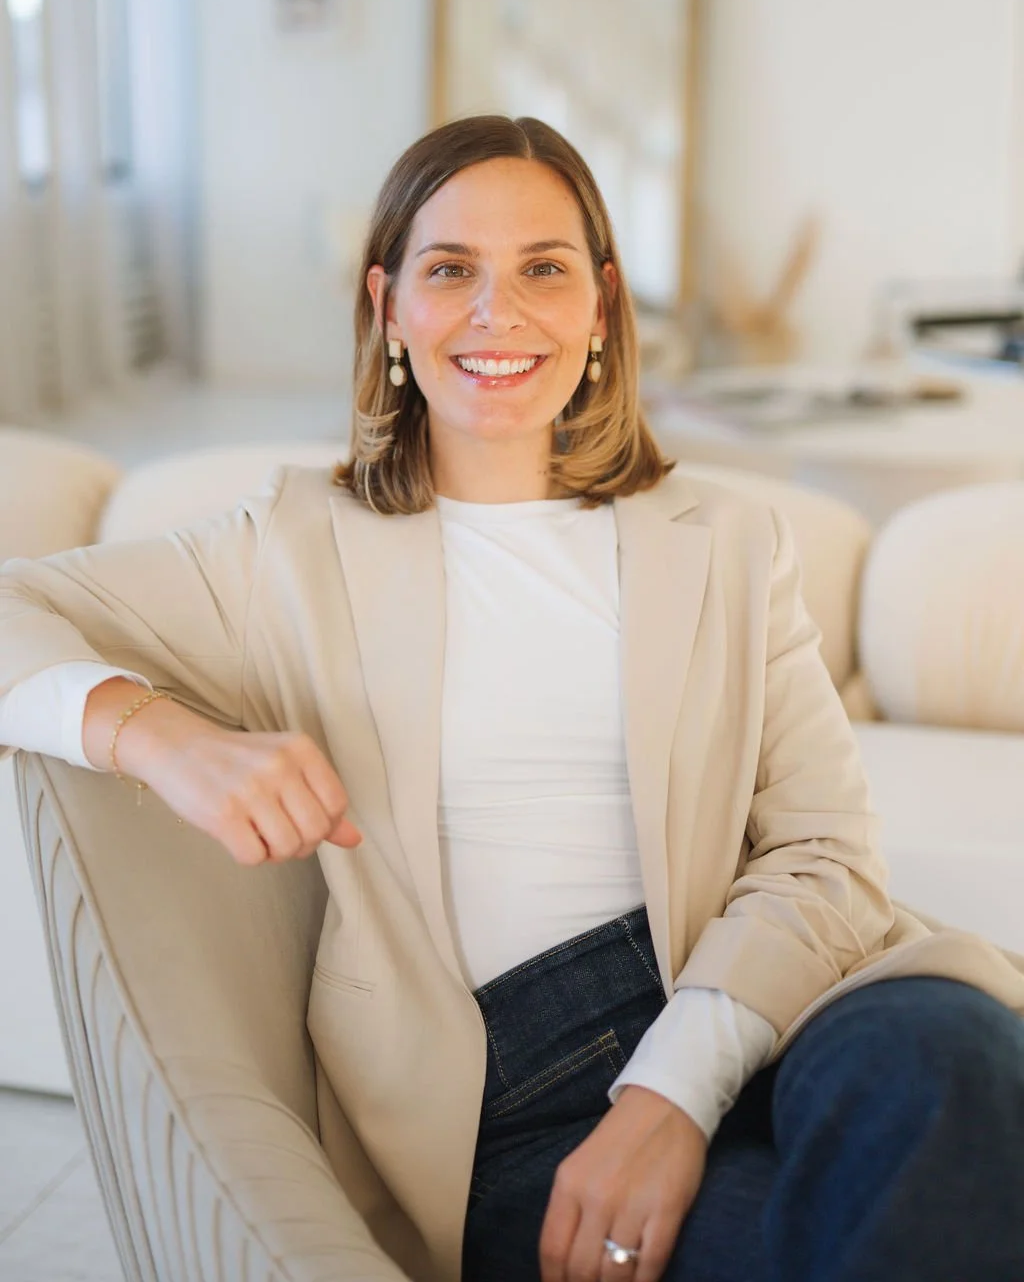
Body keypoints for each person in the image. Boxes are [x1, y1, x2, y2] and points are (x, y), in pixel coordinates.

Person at [2, 114, 1024, 1282]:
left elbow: (824, 854)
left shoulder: (729, 541)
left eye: (543, 268)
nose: (499, 311)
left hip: (782, 992)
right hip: (518, 1099)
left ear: (601, 304)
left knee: (958, 1065)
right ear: (388, 305)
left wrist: (671, 1091)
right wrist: (160, 738)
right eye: (451, 271)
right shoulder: (285, 547)